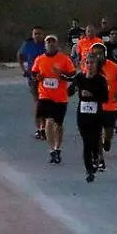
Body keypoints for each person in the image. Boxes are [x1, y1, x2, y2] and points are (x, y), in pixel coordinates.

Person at [31, 35, 77, 165]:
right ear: (45, 45)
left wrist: (61, 74)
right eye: (48, 42)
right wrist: (37, 78)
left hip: (60, 97)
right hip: (45, 95)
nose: (50, 44)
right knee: (48, 121)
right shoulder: (40, 59)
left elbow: (72, 75)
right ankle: (52, 149)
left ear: (57, 44)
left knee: (58, 125)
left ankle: (58, 147)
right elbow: (34, 73)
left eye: (52, 42)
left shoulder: (64, 59)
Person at [72, 56, 109, 183]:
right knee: (86, 142)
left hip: (96, 114)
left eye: (92, 63)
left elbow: (105, 98)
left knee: (94, 140)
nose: (89, 65)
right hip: (82, 114)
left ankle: (95, 157)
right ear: (84, 64)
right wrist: (74, 87)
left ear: (96, 65)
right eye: (87, 62)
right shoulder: (80, 78)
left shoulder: (100, 80)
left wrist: (92, 95)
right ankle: (89, 171)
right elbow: (69, 92)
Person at [90, 43, 117, 170]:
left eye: (100, 53)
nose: (98, 56)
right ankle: (100, 157)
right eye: (95, 53)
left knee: (108, 131)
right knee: (97, 132)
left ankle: (107, 140)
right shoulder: (89, 67)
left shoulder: (114, 67)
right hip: (95, 104)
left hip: (110, 104)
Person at [18, 26, 47, 138]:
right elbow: (20, 56)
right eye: (35, 34)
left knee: (45, 102)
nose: (37, 36)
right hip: (33, 77)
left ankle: (45, 127)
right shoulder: (28, 44)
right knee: (38, 102)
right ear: (32, 35)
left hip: (45, 78)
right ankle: (39, 127)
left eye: (39, 33)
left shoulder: (46, 44)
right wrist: (24, 69)